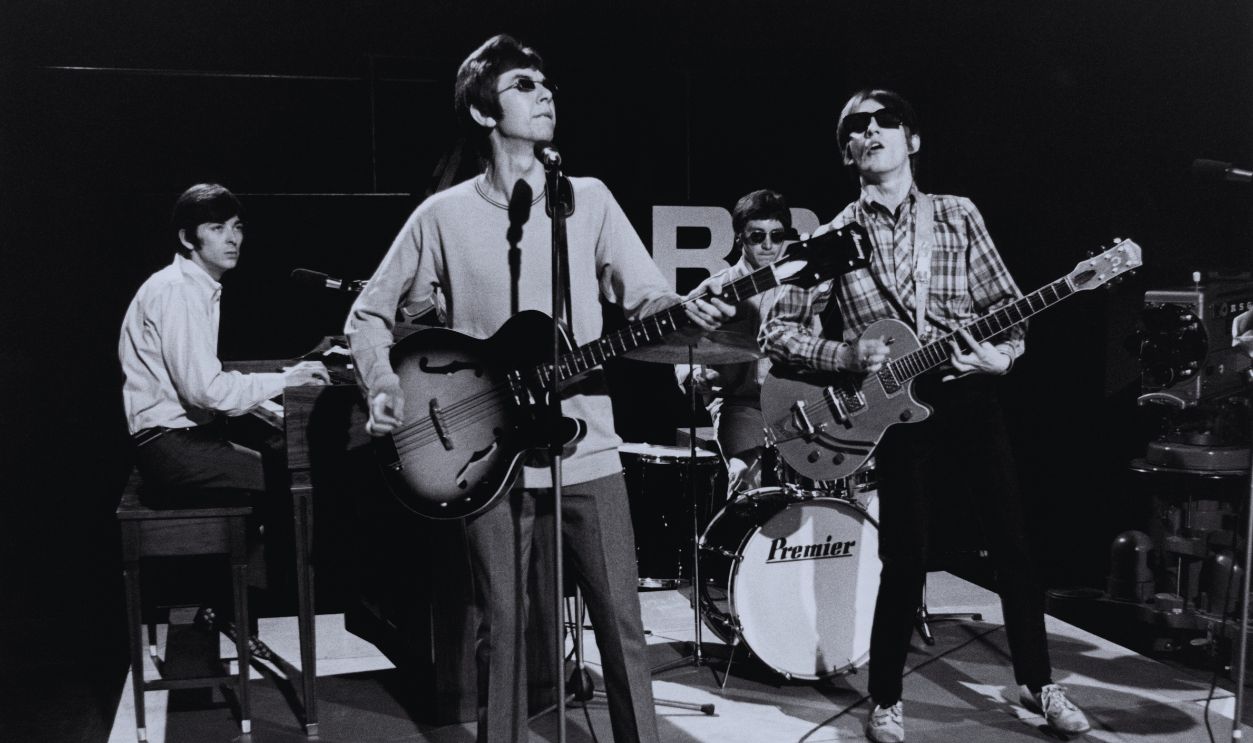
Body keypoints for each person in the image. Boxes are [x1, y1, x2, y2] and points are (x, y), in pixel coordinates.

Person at [344, 35, 734, 743]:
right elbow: (368, 314)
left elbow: (645, 300)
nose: (545, 92)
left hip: (590, 449)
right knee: (501, 629)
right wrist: (381, 384)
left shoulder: (589, 200)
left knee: (621, 623)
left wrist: (683, 307)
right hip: (485, 459)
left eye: (545, 82)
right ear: (482, 111)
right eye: (523, 84)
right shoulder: (442, 215)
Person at [758, 89, 1090, 742]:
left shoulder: (956, 215)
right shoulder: (829, 238)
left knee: (1013, 546)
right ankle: (886, 697)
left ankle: (1039, 682)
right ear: (846, 152)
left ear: (912, 140)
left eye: (887, 120)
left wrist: (1002, 357)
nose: (872, 130)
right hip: (892, 408)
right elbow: (777, 332)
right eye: (857, 125)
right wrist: (845, 353)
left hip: (967, 393)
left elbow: (1008, 308)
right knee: (904, 557)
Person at [119, 183, 328, 639]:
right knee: (286, 476)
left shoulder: (191, 285)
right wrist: (286, 380)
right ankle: (244, 606)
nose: (232, 238)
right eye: (217, 228)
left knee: (276, 455)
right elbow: (205, 391)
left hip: (178, 440)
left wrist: (277, 379)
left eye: (237, 227)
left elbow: (205, 382)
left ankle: (231, 605)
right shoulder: (178, 291)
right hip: (168, 448)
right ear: (187, 238)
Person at [682, 189, 803, 494]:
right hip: (741, 405)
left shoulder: (800, 286)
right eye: (757, 236)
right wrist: (693, 374)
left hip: (794, 403)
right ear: (740, 238)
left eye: (777, 236)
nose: (768, 245)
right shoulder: (715, 288)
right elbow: (679, 344)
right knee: (747, 478)